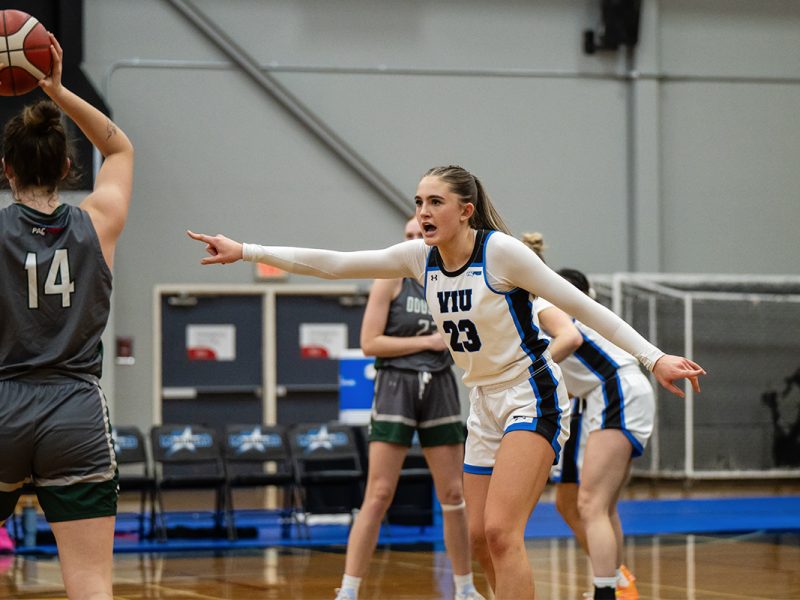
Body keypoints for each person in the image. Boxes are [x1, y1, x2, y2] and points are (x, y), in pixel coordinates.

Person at [187, 164, 704, 599]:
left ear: (465, 210)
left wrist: (652, 357)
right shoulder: (419, 259)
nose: (423, 212)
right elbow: (336, 264)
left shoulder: (501, 252)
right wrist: (247, 250)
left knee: (503, 534)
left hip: (532, 392)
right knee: (478, 539)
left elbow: (582, 307)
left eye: (435, 201)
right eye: (418, 202)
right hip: (482, 401)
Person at [0, 34, 134, 600]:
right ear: (68, 166)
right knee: (89, 580)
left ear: (6, 170)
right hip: (74, 409)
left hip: (3, 402)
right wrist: (57, 90)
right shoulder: (98, 220)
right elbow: (122, 149)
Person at [336, 217, 483, 600]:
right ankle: (349, 590)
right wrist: (429, 343)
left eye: (419, 234)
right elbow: (370, 343)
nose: (414, 240)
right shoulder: (389, 278)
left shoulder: (452, 280)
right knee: (380, 492)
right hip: (395, 385)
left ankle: (465, 588)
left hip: (440, 386)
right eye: (408, 235)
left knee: (453, 493)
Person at [523, 231, 645, 600]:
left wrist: (527, 375)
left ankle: (608, 588)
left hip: (614, 389)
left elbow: (570, 342)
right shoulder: (542, 304)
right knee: (576, 501)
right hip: (595, 396)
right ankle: (616, 579)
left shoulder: (540, 303)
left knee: (592, 503)